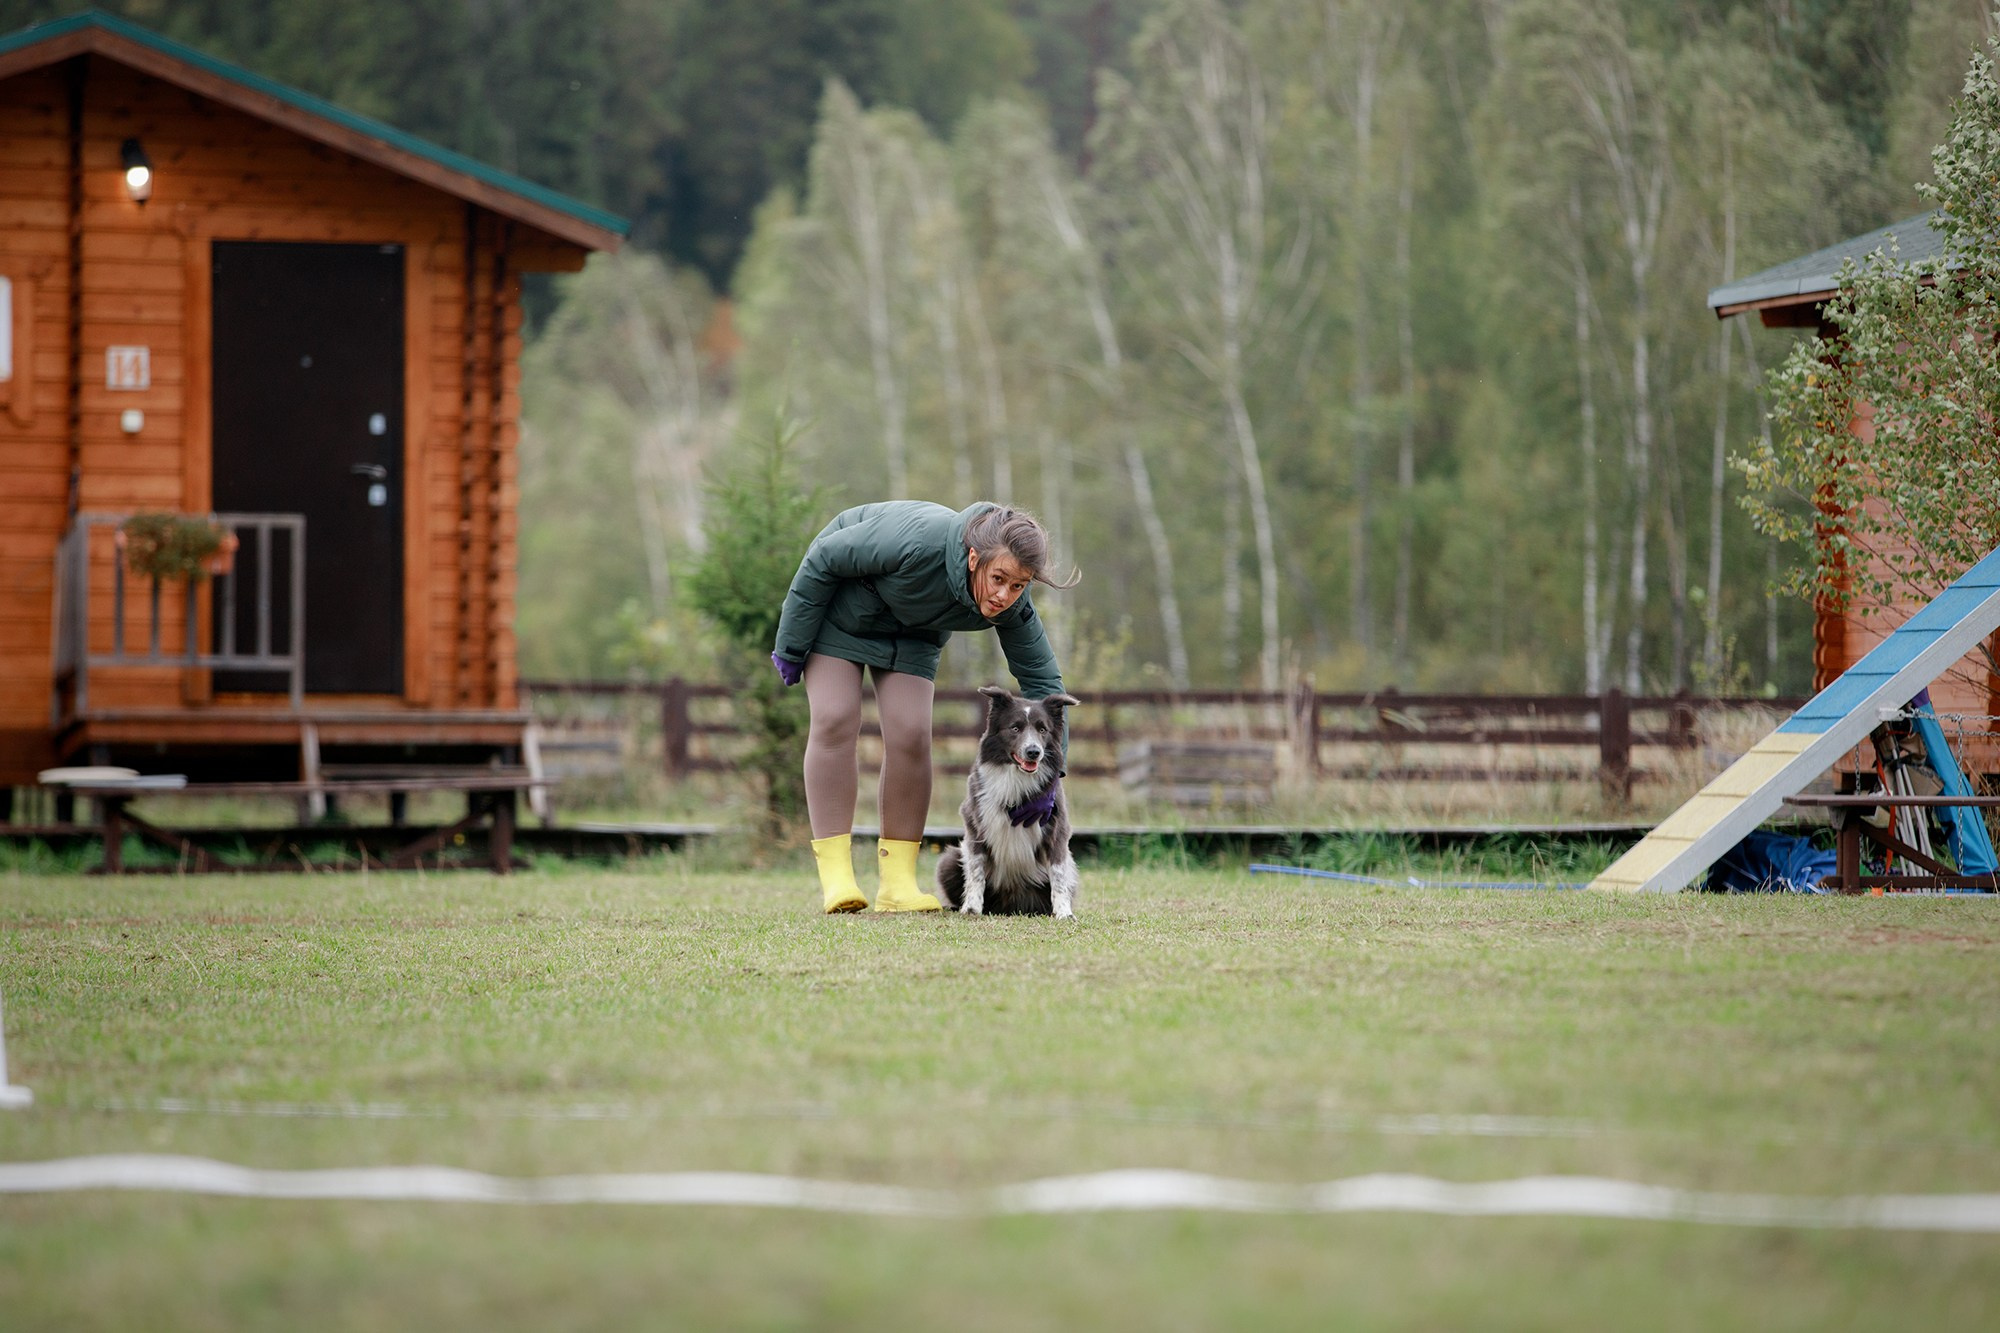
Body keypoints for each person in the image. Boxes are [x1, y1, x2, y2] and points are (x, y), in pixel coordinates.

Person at [772, 501, 1079, 913]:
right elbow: (825, 556)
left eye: (1018, 586)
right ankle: (837, 879)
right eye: (998, 579)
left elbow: (1044, 683)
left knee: (912, 735)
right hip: (840, 615)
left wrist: (1052, 778)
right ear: (974, 558)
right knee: (835, 719)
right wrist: (791, 644)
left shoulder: (1012, 605)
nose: (1004, 595)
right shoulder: (918, 542)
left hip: (913, 635)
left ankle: (896, 885)